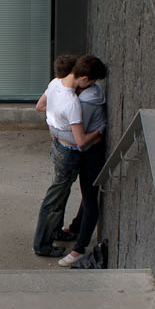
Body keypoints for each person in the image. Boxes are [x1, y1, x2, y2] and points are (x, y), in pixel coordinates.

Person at [32, 53, 95, 258]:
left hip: (56, 146)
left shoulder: (54, 84)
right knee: (54, 199)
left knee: (60, 194)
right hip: (68, 152)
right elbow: (81, 141)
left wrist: (54, 123)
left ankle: (55, 232)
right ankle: (42, 244)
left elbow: (40, 106)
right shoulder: (72, 102)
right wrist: (99, 131)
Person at [58, 54, 110, 267]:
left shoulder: (86, 103)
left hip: (91, 152)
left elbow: (78, 138)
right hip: (89, 149)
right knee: (86, 191)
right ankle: (76, 226)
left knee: (90, 198)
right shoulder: (85, 92)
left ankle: (79, 248)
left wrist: (54, 129)